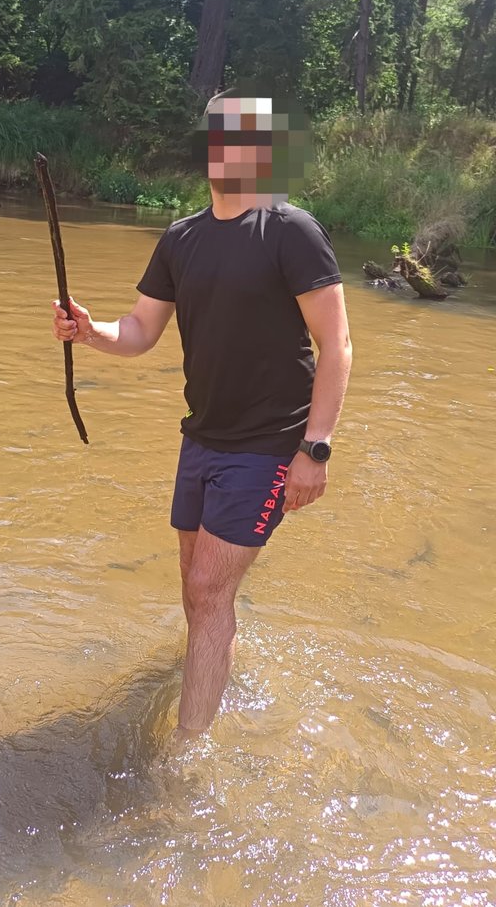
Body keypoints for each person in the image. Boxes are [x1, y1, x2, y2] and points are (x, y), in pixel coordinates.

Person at [52, 88, 353, 740]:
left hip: (270, 444)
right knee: (196, 587)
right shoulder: (181, 238)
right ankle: (221, 680)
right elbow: (140, 329)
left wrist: (316, 448)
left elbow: (337, 345)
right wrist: (90, 331)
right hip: (203, 438)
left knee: (210, 590)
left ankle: (186, 756)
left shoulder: (290, 230)